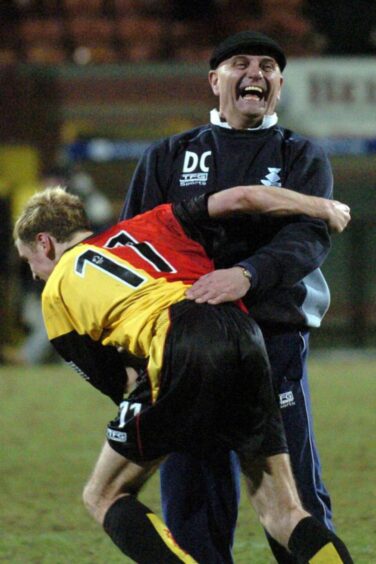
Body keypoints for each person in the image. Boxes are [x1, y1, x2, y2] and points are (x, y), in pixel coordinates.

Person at [14, 186, 352, 564]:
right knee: (284, 514)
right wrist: (319, 205)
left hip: (180, 340)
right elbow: (240, 198)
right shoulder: (151, 221)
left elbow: (124, 385)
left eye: (29, 261)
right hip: (243, 333)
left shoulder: (57, 291)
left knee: (103, 494)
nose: (34, 274)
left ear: (44, 243)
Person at [121, 30, 339, 563]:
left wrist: (247, 274)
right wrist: (135, 350)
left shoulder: (301, 156)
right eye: (241, 64)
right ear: (214, 80)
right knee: (193, 499)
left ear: (279, 86)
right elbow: (136, 246)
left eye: (268, 67)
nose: (255, 74)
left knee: (294, 499)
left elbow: (307, 240)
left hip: (272, 341)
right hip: (189, 348)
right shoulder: (169, 156)